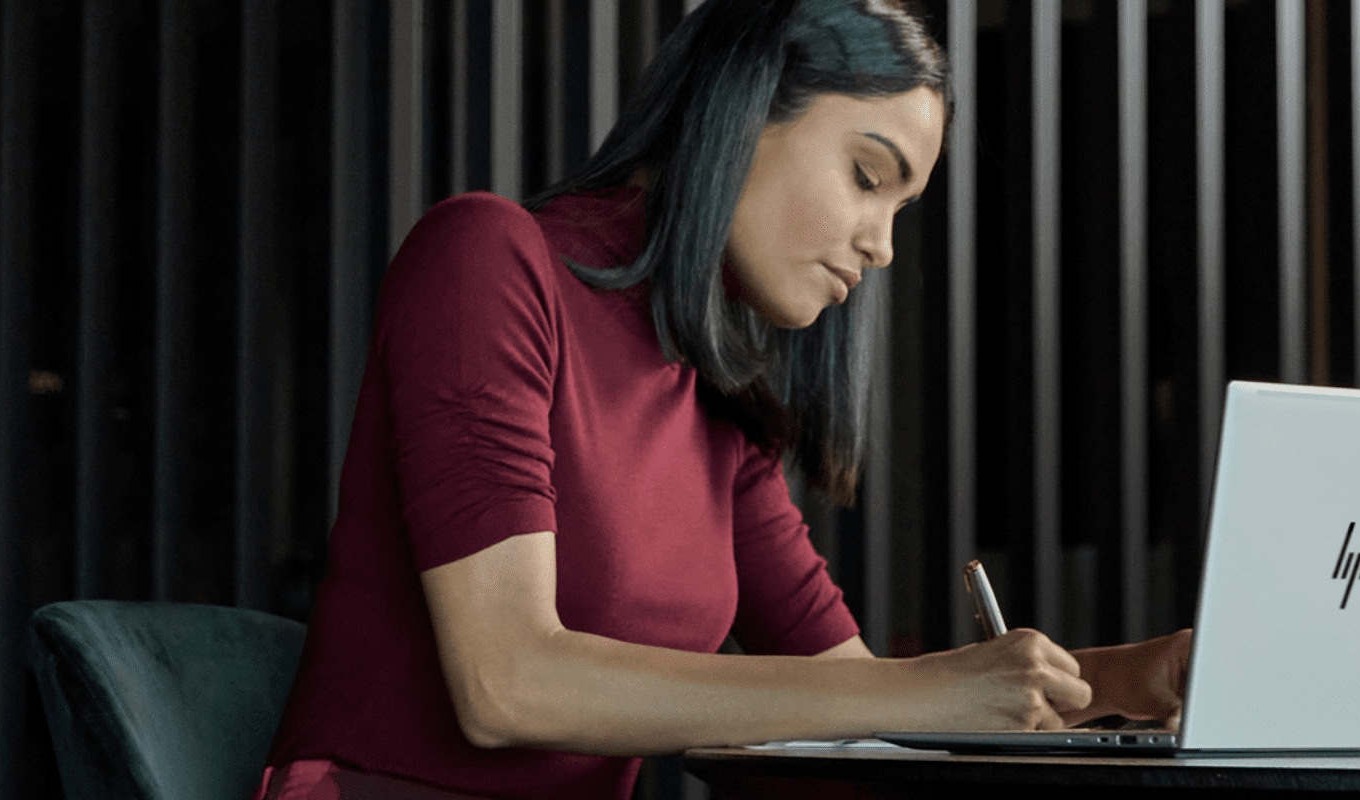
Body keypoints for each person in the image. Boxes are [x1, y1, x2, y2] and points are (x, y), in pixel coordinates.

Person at [259, 1, 1191, 798]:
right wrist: (931, 689)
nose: (883, 248)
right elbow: (506, 682)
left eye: (901, 212)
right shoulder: (490, 263)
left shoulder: (718, 404)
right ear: (740, 112)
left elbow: (857, 702)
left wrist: (1124, 679)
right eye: (869, 178)